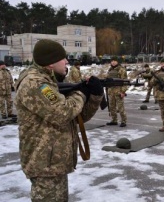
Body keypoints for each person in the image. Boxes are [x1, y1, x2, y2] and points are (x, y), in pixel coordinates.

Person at [14, 39, 104, 201]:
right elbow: (63, 113)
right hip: (44, 165)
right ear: (50, 63)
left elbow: (78, 117)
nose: (66, 61)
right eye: (63, 58)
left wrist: (95, 96)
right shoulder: (36, 83)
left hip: (53, 163)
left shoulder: (50, 81)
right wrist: (80, 93)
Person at [106, 57, 128, 127]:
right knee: (112, 107)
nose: (113, 62)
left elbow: (125, 82)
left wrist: (123, 91)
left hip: (118, 91)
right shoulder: (110, 70)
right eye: (112, 61)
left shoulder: (121, 70)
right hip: (111, 91)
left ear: (117, 62)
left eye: (115, 61)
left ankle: (123, 121)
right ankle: (114, 120)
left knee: (120, 107)